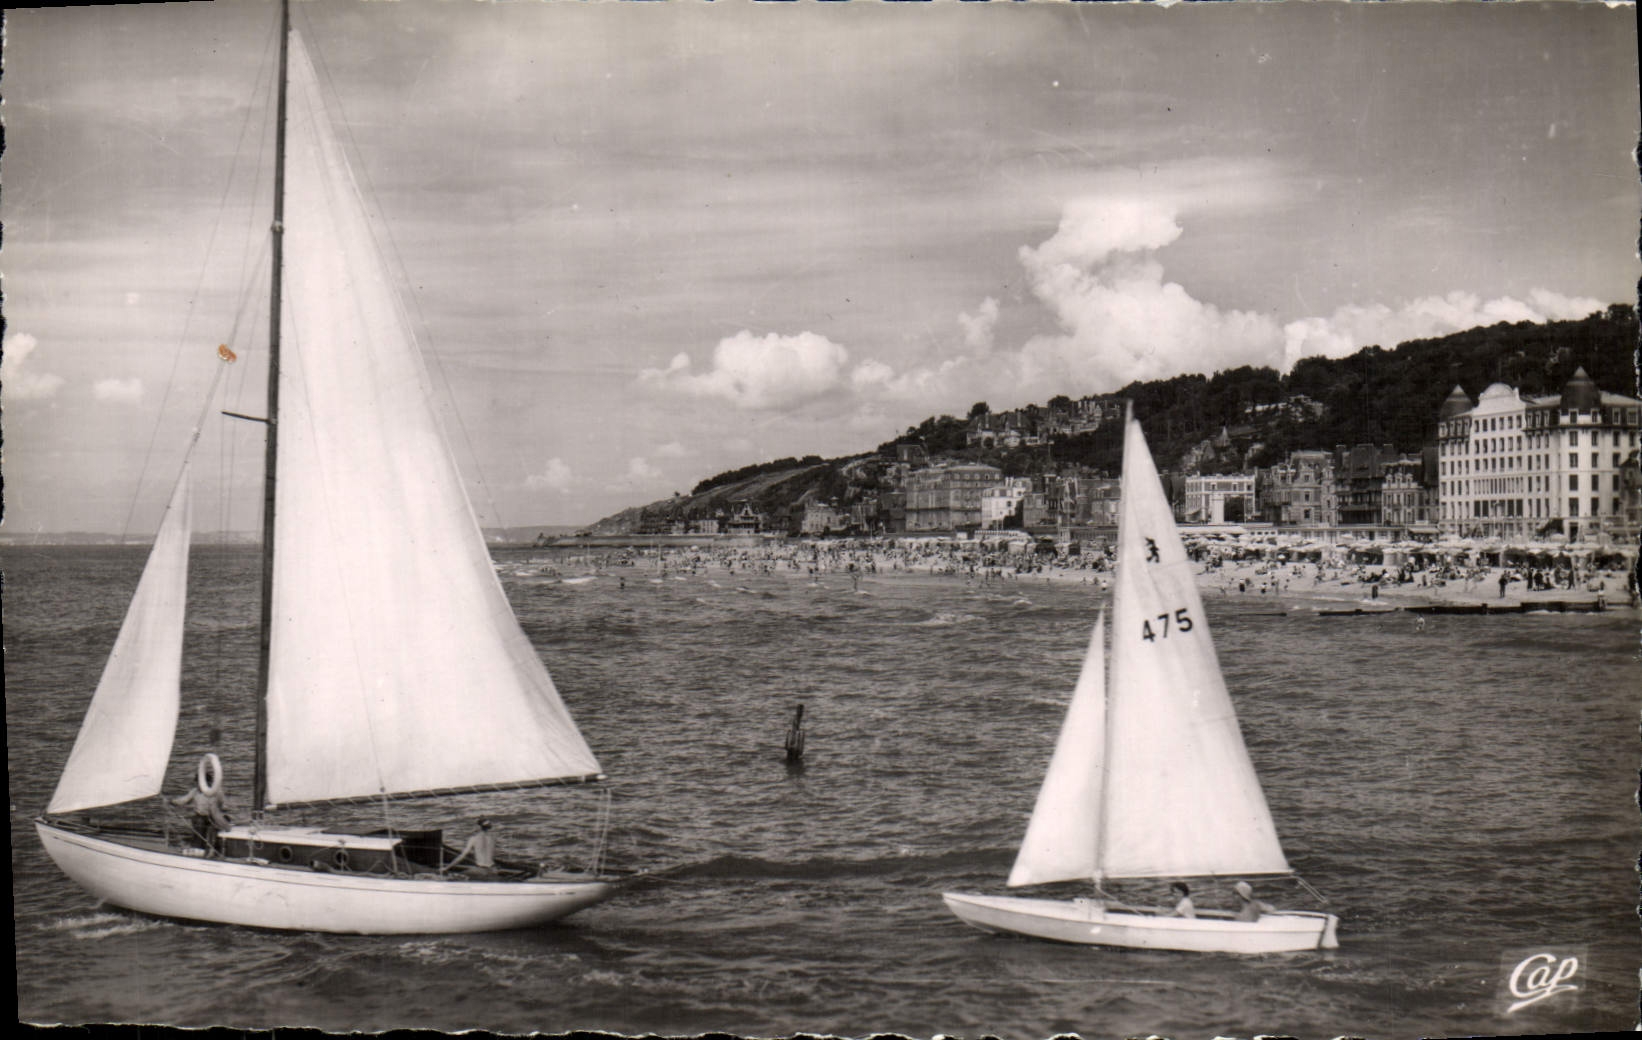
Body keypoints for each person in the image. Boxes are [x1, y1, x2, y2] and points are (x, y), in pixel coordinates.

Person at [171, 759, 231, 852]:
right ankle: (198, 847)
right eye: (197, 782)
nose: (197, 784)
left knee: (221, 822)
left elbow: (224, 805)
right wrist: (173, 801)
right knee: (199, 822)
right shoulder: (195, 791)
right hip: (201, 817)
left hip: (213, 816)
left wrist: (223, 811)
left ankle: (215, 846)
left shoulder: (217, 792)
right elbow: (184, 800)